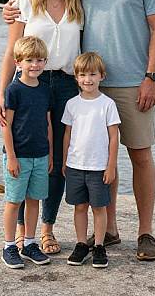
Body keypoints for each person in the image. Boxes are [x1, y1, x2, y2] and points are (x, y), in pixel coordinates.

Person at [3, 0, 155, 261]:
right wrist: (13, 8)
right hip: (85, 83)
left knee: (139, 154)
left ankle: (145, 233)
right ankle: (107, 229)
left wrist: (151, 77)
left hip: (130, 81)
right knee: (91, 157)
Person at [0, 0, 83, 255]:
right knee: (23, 152)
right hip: (29, 83)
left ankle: (46, 229)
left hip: (66, 86)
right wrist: (2, 95)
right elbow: (11, 52)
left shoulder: (78, 5)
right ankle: (23, 231)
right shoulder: (25, 3)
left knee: (56, 161)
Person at [62, 52, 119, 269]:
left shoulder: (107, 104)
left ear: (101, 76)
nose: (88, 79)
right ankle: (80, 244)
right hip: (76, 166)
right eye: (83, 75)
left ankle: (99, 246)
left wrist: (111, 165)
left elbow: (114, 136)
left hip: (98, 167)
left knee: (99, 208)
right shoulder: (72, 104)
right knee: (79, 207)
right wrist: (65, 160)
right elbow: (67, 134)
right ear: (76, 77)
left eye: (93, 74)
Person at [1, 36, 53, 269]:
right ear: (18, 62)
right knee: (14, 201)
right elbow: (7, 126)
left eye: (40, 60)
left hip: (41, 155)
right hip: (19, 156)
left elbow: (48, 122)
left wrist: (50, 154)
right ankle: (9, 246)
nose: (35, 65)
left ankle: (30, 243)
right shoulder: (14, 90)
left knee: (35, 200)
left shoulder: (45, 89)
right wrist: (11, 156)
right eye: (29, 60)